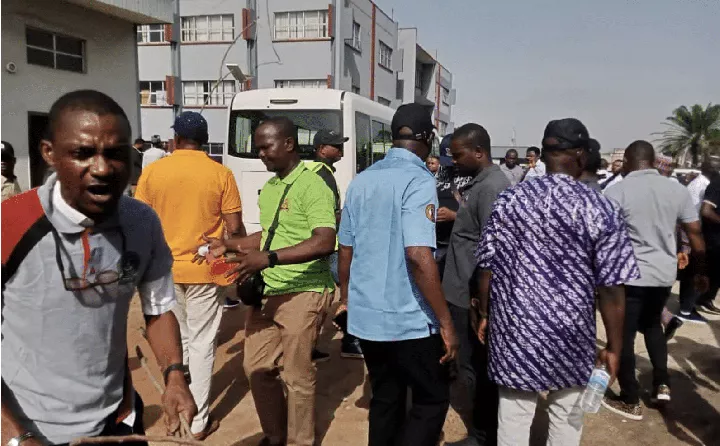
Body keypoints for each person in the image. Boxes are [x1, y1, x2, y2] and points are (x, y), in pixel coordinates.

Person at [1, 90, 197, 446]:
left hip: (117, 419)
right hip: (31, 428)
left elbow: (157, 308)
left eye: (115, 153)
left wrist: (174, 376)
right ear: (49, 154)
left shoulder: (142, 223)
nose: (103, 168)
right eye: (83, 153)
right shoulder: (10, 224)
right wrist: (16, 436)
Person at [473, 118, 638, 446]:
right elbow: (611, 286)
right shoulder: (600, 207)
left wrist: (486, 313)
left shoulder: (510, 201)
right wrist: (615, 348)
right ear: (581, 155)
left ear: (545, 154)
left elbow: (486, 268)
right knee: (566, 415)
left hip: (515, 328)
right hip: (571, 333)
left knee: (515, 416)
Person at [203, 117, 337, 446]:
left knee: (296, 376)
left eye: (266, 147)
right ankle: (275, 436)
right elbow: (271, 235)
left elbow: (324, 240)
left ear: (289, 144)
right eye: (258, 148)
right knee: (256, 368)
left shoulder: (313, 184)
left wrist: (270, 258)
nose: (260, 154)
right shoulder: (274, 187)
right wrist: (230, 245)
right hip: (269, 291)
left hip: (304, 290)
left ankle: (299, 442)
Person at [337, 103, 459, 446]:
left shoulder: (361, 180)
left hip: (369, 318)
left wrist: (345, 298)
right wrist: (446, 324)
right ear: (428, 139)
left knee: (386, 397)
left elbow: (345, 248)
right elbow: (419, 255)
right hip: (408, 320)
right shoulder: (419, 180)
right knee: (431, 399)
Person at [134, 111, 244, 439]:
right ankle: (198, 421)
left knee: (178, 339)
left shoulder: (153, 172)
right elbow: (235, 227)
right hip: (206, 269)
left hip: (162, 269)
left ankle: (182, 403)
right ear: (205, 140)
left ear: (176, 139)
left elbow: (140, 221)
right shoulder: (220, 173)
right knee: (202, 342)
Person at [602, 140, 707, 420]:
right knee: (652, 327)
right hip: (663, 275)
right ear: (651, 160)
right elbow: (695, 235)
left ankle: (630, 398)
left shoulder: (616, 191)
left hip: (629, 276)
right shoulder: (676, 189)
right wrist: (700, 272)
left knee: (624, 336)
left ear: (626, 161)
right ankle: (662, 383)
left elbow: (601, 239)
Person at [441, 124, 510, 446]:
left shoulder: (492, 188)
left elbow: (493, 250)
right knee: (469, 364)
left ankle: (484, 435)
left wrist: (480, 302)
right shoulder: (479, 185)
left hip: (471, 292)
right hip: (461, 287)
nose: (453, 161)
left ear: (479, 152)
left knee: (477, 367)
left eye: (458, 154)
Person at [306, 129, 364, 360]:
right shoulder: (321, 173)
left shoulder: (317, 170)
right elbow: (328, 214)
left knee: (321, 295)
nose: (340, 150)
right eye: (335, 146)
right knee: (352, 288)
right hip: (328, 244)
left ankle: (308, 347)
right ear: (322, 149)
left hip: (319, 243)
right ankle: (350, 341)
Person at [434, 134, 473, 279]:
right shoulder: (439, 174)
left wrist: (454, 216)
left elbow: (480, 217)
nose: (451, 165)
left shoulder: (473, 179)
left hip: (459, 246)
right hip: (437, 244)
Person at [696, 169, 720, 314]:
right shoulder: (717, 184)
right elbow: (706, 211)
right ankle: (697, 302)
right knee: (710, 272)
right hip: (714, 240)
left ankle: (706, 299)